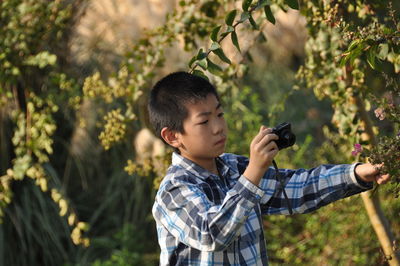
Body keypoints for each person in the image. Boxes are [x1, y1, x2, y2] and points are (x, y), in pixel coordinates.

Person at [148, 71, 389, 265]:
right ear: (172, 136)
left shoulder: (235, 168)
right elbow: (212, 234)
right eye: (204, 121)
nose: (218, 127)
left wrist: (356, 173)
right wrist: (253, 172)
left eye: (220, 114)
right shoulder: (174, 191)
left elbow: (298, 188)